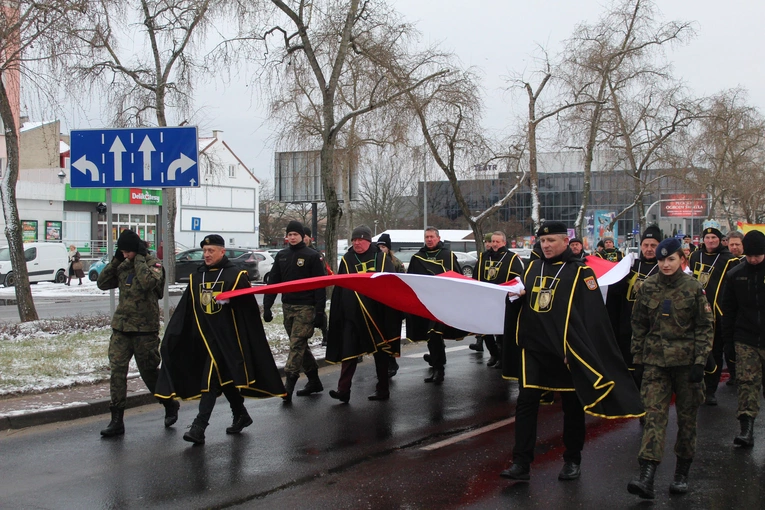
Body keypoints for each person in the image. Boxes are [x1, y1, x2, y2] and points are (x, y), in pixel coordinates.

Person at [500, 221, 643, 483]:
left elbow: (592, 318)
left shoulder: (581, 272)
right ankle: (521, 462)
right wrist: (515, 298)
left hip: (565, 352)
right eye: (542, 242)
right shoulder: (531, 267)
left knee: (572, 407)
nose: (546, 246)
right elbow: (523, 302)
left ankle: (572, 459)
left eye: (551, 241)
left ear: (565, 242)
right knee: (526, 404)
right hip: (533, 349)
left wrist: (578, 350)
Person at [154, 235, 285, 444]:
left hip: (228, 339)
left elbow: (249, 310)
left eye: (211, 251)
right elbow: (187, 310)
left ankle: (199, 427)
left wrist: (234, 301)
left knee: (210, 380)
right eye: (204, 251)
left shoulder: (236, 275)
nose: (206, 255)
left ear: (222, 251)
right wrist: (175, 335)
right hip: (206, 339)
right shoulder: (197, 277)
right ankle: (240, 413)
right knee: (223, 379)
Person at [627, 237, 713, 499]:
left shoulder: (693, 288)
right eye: (662, 259)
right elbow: (639, 324)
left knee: (687, 420)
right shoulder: (648, 287)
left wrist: (700, 362)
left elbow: (705, 327)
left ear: (681, 260)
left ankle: (681, 474)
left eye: (671, 259)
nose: (665, 264)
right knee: (654, 417)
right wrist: (638, 360)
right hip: (655, 363)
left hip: (687, 365)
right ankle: (647, 476)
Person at [96, 229, 178, 437]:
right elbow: (102, 283)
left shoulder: (154, 265)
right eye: (121, 251)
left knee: (149, 372)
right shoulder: (122, 265)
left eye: (127, 252)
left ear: (136, 250)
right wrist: (116, 261)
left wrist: (139, 259)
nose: (125, 255)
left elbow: (149, 283)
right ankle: (116, 420)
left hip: (144, 329)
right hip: (122, 328)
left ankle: (169, 403)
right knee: (117, 372)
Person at [326, 226, 400, 402]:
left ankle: (383, 389)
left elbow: (390, 285)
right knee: (349, 352)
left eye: (360, 240)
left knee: (380, 353)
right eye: (354, 240)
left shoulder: (381, 258)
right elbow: (341, 286)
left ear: (368, 240)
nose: (357, 243)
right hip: (352, 314)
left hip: (375, 315)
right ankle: (343, 390)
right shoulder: (347, 259)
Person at [263, 220, 327, 402]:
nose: (292, 238)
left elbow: (320, 286)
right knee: (300, 345)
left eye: (295, 235)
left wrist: (319, 312)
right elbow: (273, 282)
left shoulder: (312, 256)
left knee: (296, 344)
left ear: (302, 236)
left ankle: (288, 385)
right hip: (287, 306)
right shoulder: (281, 256)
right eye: (289, 234)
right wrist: (267, 306)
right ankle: (314, 381)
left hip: (306, 307)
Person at [721, 230, 765, 448]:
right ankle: (746, 429)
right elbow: (728, 310)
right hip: (746, 337)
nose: (754, 259)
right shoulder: (736, 274)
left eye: (758, 255)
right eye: (750, 256)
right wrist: (728, 342)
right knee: (747, 384)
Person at [406, 226, 464, 384]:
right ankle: (436, 363)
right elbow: (411, 280)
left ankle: (439, 370)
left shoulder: (448, 256)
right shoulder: (417, 258)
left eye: (432, 236)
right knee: (431, 337)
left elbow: (458, 278)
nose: (429, 239)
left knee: (434, 333)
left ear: (438, 238)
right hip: (427, 303)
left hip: (444, 302)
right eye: (427, 237)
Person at [606, 225, 662, 386]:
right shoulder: (630, 267)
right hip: (627, 329)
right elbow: (614, 295)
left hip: (652, 331)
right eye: (646, 245)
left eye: (653, 245)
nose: (649, 249)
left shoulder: (664, 268)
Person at [689, 224, 737, 405]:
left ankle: (711, 390)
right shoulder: (695, 256)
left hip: (717, 313)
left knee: (714, 352)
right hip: (695, 311)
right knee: (696, 351)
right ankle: (696, 388)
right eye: (707, 238)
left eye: (714, 238)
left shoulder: (729, 260)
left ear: (720, 240)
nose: (710, 241)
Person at [471, 231, 524, 369]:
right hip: (486, 298)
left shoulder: (512, 258)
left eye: (497, 242)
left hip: (503, 300)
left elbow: (518, 279)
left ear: (503, 242)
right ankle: (493, 353)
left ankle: (502, 356)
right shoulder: (484, 257)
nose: (494, 244)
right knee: (484, 328)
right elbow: (476, 276)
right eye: (492, 241)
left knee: (501, 330)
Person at [376, 232, 404, 377]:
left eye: (383, 246)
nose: (381, 249)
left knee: (391, 335)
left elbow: (403, 282)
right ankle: (383, 364)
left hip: (393, 304)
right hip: (378, 304)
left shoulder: (396, 263)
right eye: (379, 246)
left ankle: (392, 361)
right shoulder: (374, 261)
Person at [303, 226, 330, 345]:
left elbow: (323, 272)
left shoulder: (316, 254)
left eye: (305, 237)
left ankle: (326, 334)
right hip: (302, 292)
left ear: (310, 238)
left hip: (315, 290)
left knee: (319, 314)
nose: (303, 239)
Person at [469, 234, 495, 353]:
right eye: (487, 242)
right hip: (483, 295)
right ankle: (489, 349)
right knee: (482, 324)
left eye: (491, 241)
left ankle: (499, 352)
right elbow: (477, 274)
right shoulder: (483, 257)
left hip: (494, 296)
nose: (489, 244)